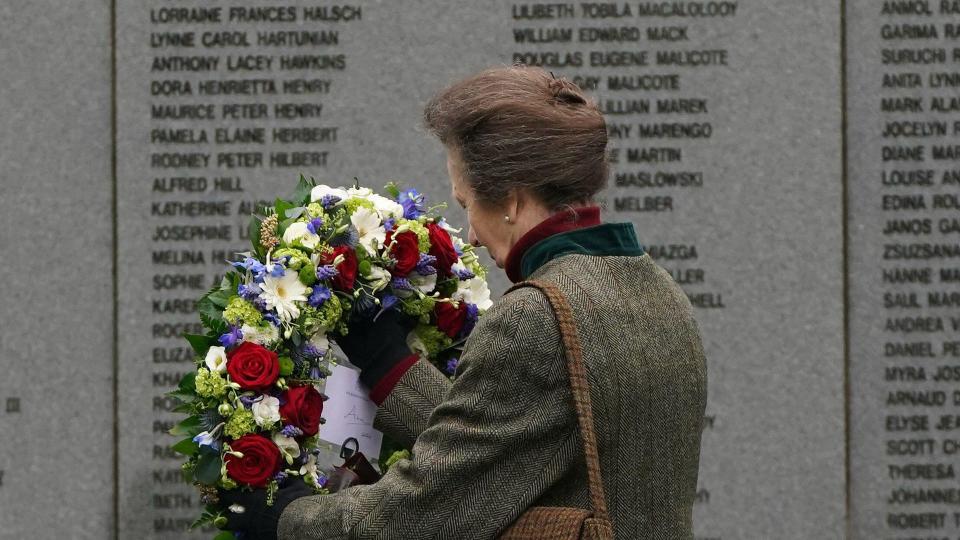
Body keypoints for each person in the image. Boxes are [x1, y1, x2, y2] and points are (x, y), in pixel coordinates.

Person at [221, 65, 708, 539]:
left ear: (512, 199)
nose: (471, 234)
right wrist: (389, 364)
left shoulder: (537, 316)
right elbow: (511, 447)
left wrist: (288, 519)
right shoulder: (657, 290)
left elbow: (430, 511)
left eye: (465, 203)